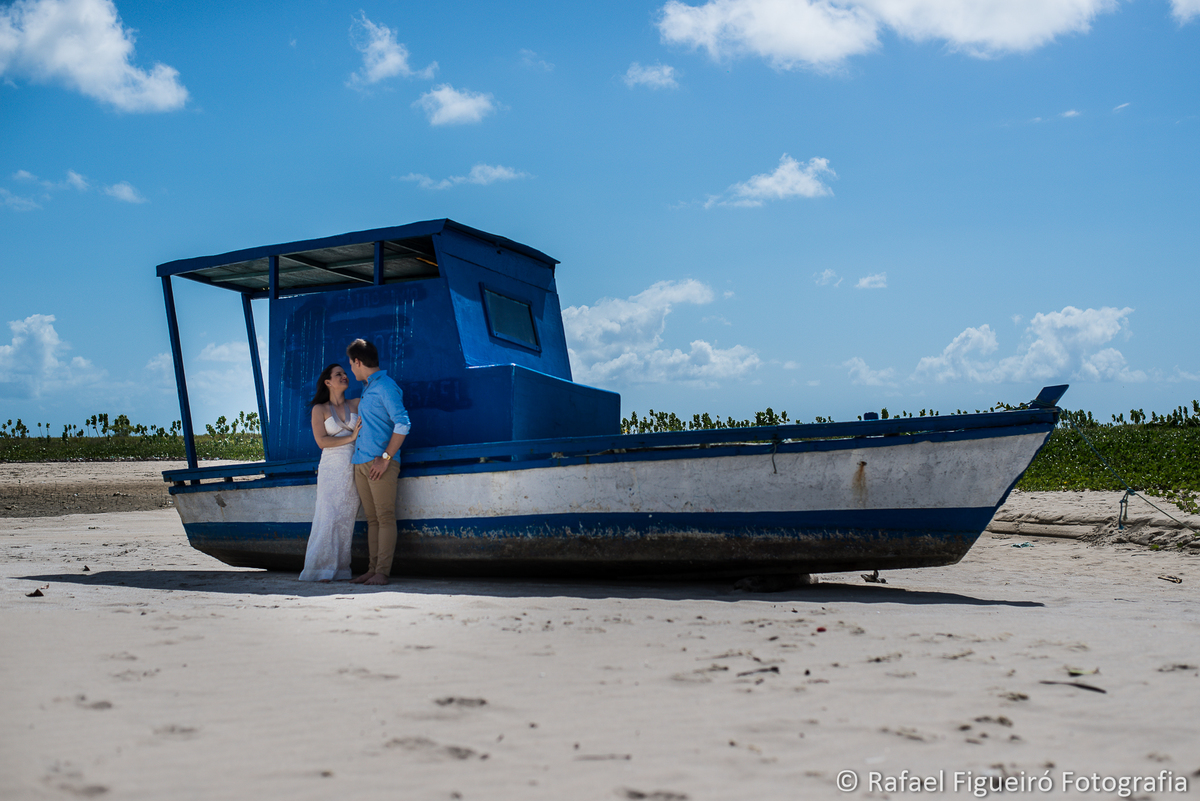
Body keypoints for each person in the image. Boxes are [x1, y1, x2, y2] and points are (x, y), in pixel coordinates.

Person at [347, 338, 411, 586]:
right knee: (372, 520)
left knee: (384, 517)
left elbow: (403, 423)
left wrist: (385, 459)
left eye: (350, 364)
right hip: (361, 462)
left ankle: (382, 572)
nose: (350, 369)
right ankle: (372, 570)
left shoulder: (385, 386)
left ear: (358, 362)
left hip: (380, 464)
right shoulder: (368, 387)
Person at [298, 364, 361, 582]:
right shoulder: (320, 409)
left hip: (353, 466)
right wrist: (351, 438)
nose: (344, 376)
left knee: (346, 518)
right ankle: (318, 569)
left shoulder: (357, 403)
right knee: (327, 516)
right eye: (338, 374)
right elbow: (322, 441)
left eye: (345, 373)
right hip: (331, 467)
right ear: (328, 382)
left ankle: (341, 570)